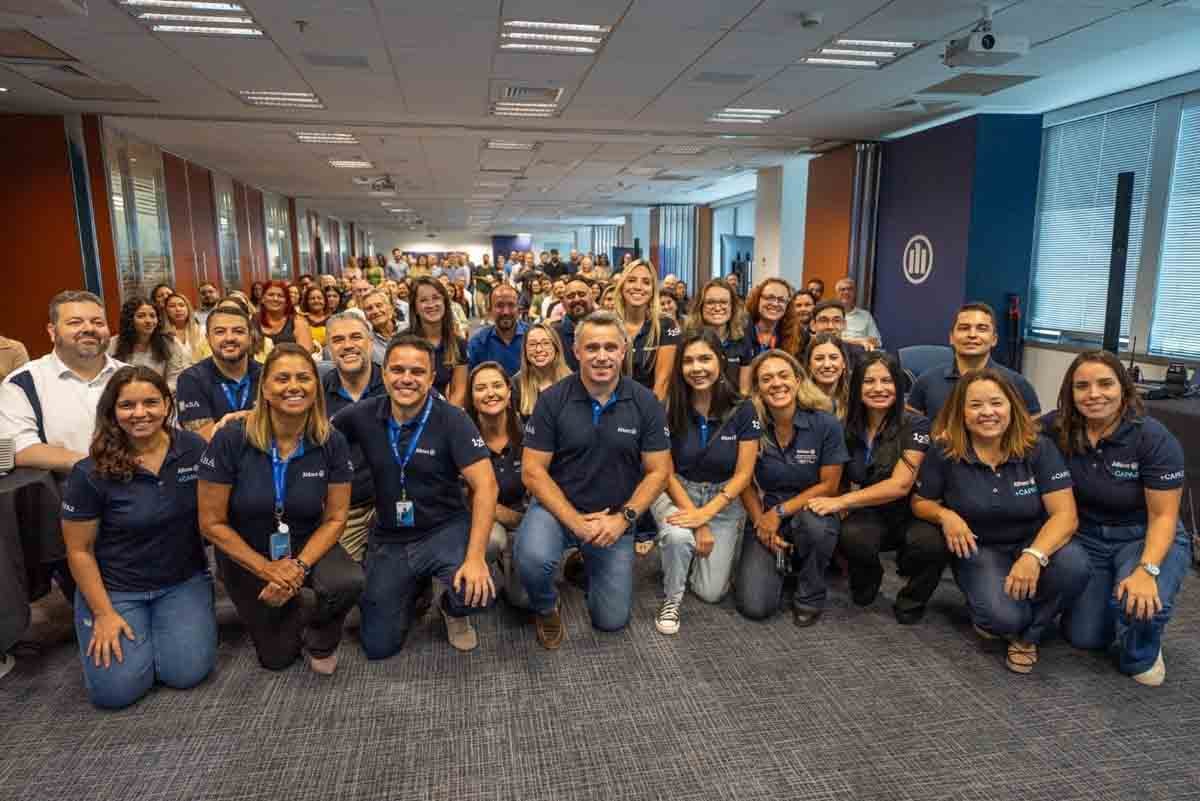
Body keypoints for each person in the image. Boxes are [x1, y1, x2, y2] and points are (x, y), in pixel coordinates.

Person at [912, 368, 1090, 674]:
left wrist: (1034, 556)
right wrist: (945, 515)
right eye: (976, 405)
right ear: (961, 411)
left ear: (1011, 407)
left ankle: (1029, 636)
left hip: (1032, 541)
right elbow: (919, 502)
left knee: (1076, 564)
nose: (987, 413)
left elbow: (1066, 515)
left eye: (996, 403)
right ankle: (1005, 613)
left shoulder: (1038, 447)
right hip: (980, 549)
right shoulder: (944, 450)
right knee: (1002, 619)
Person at [198, 344, 363, 674]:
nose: (294, 386)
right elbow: (211, 523)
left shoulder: (330, 440)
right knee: (278, 659)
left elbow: (335, 518)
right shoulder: (231, 438)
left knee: (348, 581)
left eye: (304, 377)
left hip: (305, 541)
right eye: (282, 378)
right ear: (265, 388)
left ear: (316, 387)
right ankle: (292, 603)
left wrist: (298, 566)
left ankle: (320, 633)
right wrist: (266, 569)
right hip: (247, 550)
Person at [331, 335, 497, 656]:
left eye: (417, 372)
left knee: (478, 592)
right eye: (398, 369)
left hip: (443, 528)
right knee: (378, 646)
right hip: (390, 537)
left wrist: (476, 559)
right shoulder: (362, 415)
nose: (407, 379)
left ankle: (451, 610)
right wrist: (247, 419)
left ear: (432, 378)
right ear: (384, 374)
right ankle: (415, 587)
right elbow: (313, 433)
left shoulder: (453, 420)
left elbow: (486, 486)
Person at [61, 366, 216, 708]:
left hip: (182, 580)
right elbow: (79, 551)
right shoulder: (90, 472)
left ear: (167, 405)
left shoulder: (192, 448)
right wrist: (103, 613)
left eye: (151, 402)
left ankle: (158, 639)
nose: (140, 413)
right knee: (115, 693)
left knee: (187, 673)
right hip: (117, 589)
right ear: (112, 412)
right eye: (127, 405)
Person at [516, 311, 672, 648]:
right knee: (530, 558)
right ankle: (546, 607)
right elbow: (532, 471)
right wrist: (576, 523)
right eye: (592, 348)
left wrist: (623, 519)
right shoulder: (552, 400)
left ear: (623, 350)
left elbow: (660, 471)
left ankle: (581, 561)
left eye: (610, 347)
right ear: (576, 351)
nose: (601, 356)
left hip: (616, 516)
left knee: (611, 621)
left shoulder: (645, 402)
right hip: (558, 510)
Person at [1046, 351, 1190, 685]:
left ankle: (1144, 646)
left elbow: (1164, 516)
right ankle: (1118, 606)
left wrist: (1147, 569)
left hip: (1145, 535)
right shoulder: (1059, 427)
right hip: (1090, 537)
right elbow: (1016, 428)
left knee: (1139, 604)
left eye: (1105, 384)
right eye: (1082, 386)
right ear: (1071, 394)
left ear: (1124, 389)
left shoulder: (1153, 438)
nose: (1094, 394)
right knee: (1084, 639)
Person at [807, 352, 947, 624]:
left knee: (932, 544)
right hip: (871, 508)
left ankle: (912, 599)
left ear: (898, 384)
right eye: (869, 381)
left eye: (887, 380)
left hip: (915, 509)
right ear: (857, 386)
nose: (879, 388)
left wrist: (842, 502)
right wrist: (839, 501)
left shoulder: (916, 423)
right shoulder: (846, 426)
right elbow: (839, 475)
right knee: (852, 535)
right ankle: (870, 576)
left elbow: (900, 485)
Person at [648, 331, 759, 633]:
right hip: (676, 489)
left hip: (723, 497)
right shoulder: (668, 407)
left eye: (705, 359)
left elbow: (744, 475)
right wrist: (698, 522)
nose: (697, 368)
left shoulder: (744, 409)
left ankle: (685, 557)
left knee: (711, 593)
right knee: (678, 536)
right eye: (688, 361)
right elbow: (665, 473)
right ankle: (672, 599)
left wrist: (707, 514)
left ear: (721, 361)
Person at [736, 349, 845, 626]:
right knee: (755, 606)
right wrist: (761, 521)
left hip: (812, 509)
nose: (776, 383)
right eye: (767, 379)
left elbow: (830, 486)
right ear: (758, 389)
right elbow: (744, 481)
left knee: (814, 527)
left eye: (784, 375)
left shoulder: (825, 424)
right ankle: (787, 561)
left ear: (798, 380)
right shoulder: (752, 425)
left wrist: (779, 513)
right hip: (766, 511)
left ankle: (810, 592)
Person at [1, 291, 121, 475]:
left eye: (98, 322)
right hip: (66, 495)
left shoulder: (132, 376)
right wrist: (98, 467)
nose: (89, 328)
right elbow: (22, 447)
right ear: (52, 331)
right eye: (75, 322)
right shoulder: (23, 383)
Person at [322, 313, 387, 562]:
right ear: (329, 348)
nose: (347, 345)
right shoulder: (314, 395)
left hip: (396, 501)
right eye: (338, 340)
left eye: (356, 337)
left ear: (370, 342)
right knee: (345, 584)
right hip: (346, 509)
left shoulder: (398, 383)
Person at [465, 362, 530, 609]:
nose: (490, 393)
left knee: (523, 601)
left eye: (497, 385)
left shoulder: (528, 432)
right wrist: (512, 519)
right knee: (492, 541)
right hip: (483, 519)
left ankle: (514, 562)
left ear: (509, 392)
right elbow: (467, 498)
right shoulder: (463, 436)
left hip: (524, 515)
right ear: (472, 397)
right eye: (480, 388)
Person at [908, 303, 1040, 422]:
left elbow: (1033, 436)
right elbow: (910, 431)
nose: (972, 335)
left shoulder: (1018, 385)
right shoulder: (927, 381)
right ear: (951, 338)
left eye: (982, 329)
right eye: (964, 328)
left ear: (994, 339)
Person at [176, 305, 261, 442]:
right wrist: (258, 420)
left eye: (238, 331)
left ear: (250, 337)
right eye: (220, 332)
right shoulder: (191, 379)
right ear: (208, 338)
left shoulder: (267, 374)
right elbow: (205, 440)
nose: (229, 338)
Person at [614, 259, 680, 401]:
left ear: (653, 290)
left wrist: (649, 418)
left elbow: (662, 383)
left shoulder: (667, 324)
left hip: (649, 407)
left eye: (646, 282)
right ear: (622, 286)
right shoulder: (609, 324)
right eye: (631, 280)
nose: (638, 287)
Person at [685, 279, 753, 394]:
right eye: (710, 302)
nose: (717, 308)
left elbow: (744, 390)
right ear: (700, 307)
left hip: (733, 406)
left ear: (732, 307)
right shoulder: (687, 339)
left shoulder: (742, 340)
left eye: (723, 302)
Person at [108, 297, 188, 391]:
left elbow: (175, 377)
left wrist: (154, 394)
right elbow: (110, 379)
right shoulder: (113, 344)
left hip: (160, 396)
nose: (148, 321)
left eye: (152, 316)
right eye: (141, 316)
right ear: (129, 319)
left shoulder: (170, 343)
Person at [410, 277, 467, 406]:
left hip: (446, 413)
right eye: (423, 300)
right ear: (415, 308)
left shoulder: (459, 344)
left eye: (436, 298)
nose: (431, 305)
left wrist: (446, 419)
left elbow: (459, 392)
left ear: (445, 303)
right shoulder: (403, 343)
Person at [512, 322, 572, 421]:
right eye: (532, 344)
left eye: (546, 343)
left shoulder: (572, 382)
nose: (539, 349)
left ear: (556, 347)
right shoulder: (516, 384)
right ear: (525, 349)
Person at [467, 284, 526, 376]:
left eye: (511, 305)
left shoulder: (533, 336)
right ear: (490, 310)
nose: (506, 312)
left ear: (519, 309)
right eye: (499, 305)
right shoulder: (478, 342)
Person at [809, 300, 867, 373]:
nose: (830, 326)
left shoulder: (858, 355)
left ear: (844, 325)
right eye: (823, 320)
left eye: (836, 321)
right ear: (813, 325)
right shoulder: (801, 352)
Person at [803, 333, 851, 420]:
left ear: (844, 363)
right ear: (809, 365)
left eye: (833, 358)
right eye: (819, 358)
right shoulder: (800, 403)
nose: (827, 365)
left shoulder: (854, 399)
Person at [259, 280, 315, 353]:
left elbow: (306, 353)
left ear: (286, 301)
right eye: (271, 295)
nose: (275, 299)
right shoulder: (252, 320)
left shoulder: (298, 321)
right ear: (263, 299)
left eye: (280, 296)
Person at [553, 276, 593, 371]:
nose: (577, 299)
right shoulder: (554, 335)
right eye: (571, 296)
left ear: (592, 297)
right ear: (563, 302)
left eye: (582, 294)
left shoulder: (606, 329)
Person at [744, 278, 791, 358]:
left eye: (781, 300)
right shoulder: (741, 330)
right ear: (757, 300)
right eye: (769, 298)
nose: (775, 303)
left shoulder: (793, 334)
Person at [835, 278, 882, 349]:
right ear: (837, 294)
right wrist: (860, 341)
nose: (846, 292)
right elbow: (830, 339)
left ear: (855, 293)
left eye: (850, 289)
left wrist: (847, 340)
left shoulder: (866, 315)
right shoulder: (831, 314)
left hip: (860, 355)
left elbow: (877, 342)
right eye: (842, 289)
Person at [163, 293, 206, 366]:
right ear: (166, 311)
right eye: (172, 306)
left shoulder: (202, 330)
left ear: (188, 308)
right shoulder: (163, 335)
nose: (178, 309)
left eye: (181, 305)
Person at [361, 289, 402, 367]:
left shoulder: (410, 329)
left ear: (390, 308)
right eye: (369, 308)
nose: (375, 311)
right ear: (365, 316)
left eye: (379, 305)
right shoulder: (366, 343)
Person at [780, 290, 815, 359]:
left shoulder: (821, 329)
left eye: (807, 305)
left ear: (814, 306)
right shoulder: (784, 331)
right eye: (798, 305)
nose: (803, 309)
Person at [301, 285, 332, 352]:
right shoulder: (301, 319)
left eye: (319, 298)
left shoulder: (332, 320)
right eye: (312, 298)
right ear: (307, 301)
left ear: (325, 301)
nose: (316, 301)